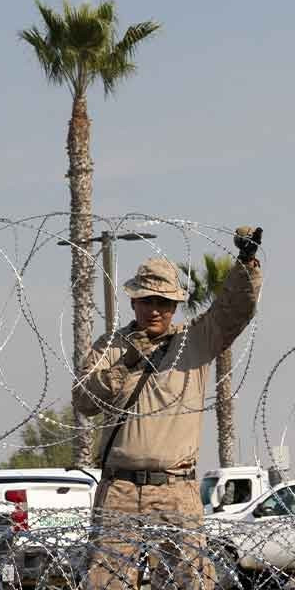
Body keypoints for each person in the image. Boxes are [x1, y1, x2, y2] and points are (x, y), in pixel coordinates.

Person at [75, 227, 263, 590]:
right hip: (119, 489)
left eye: (164, 302)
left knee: (188, 582)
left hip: (176, 489)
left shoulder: (194, 341)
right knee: (105, 583)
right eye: (147, 300)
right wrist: (124, 365)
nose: (155, 310)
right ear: (133, 302)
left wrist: (246, 264)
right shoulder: (111, 347)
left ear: (175, 306)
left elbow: (233, 311)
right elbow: (84, 401)